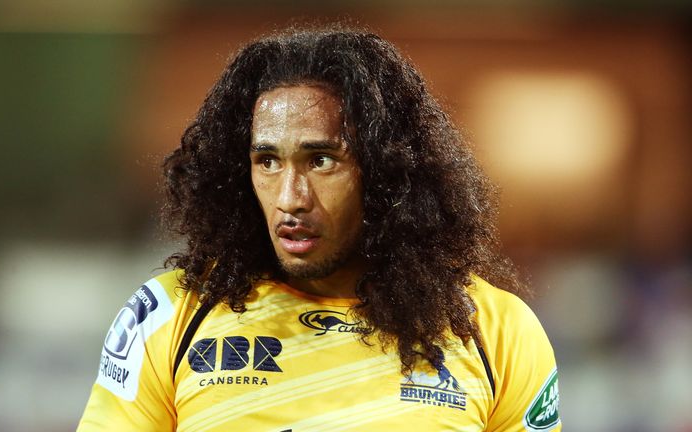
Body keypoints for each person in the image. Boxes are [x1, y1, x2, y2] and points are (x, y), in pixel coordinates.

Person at [78, 24, 561, 431]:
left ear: (386, 170)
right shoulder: (168, 319)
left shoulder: (496, 331)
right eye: (267, 161)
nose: (290, 198)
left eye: (322, 160)